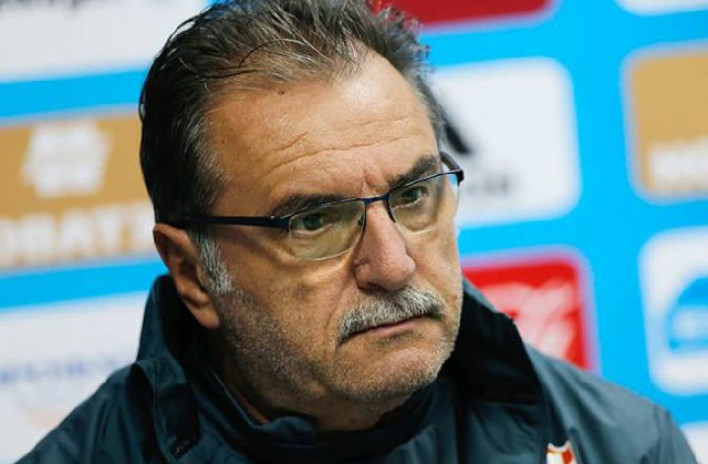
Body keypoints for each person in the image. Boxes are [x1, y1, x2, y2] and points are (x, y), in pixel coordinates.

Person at [17, 0, 697, 462]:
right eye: (314, 221)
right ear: (195, 272)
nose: (393, 265)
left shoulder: (621, 446)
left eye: (414, 195)